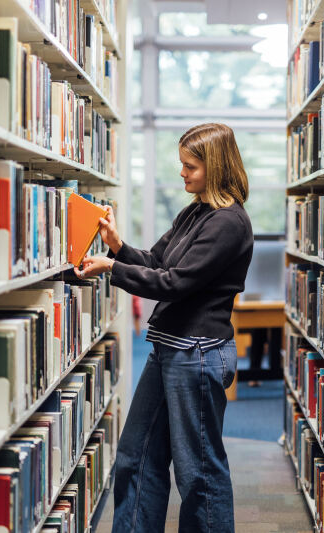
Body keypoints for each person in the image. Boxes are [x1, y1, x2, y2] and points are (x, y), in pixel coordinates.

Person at [74, 123, 254, 533]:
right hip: (169, 350)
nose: (182, 173)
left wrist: (112, 269)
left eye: (190, 166)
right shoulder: (194, 213)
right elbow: (157, 262)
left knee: (199, 475)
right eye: (181, 164)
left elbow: (176, 283)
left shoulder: (229, 224)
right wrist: (117, 246)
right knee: (135, 457)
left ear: (217, 165)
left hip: (198, 353)